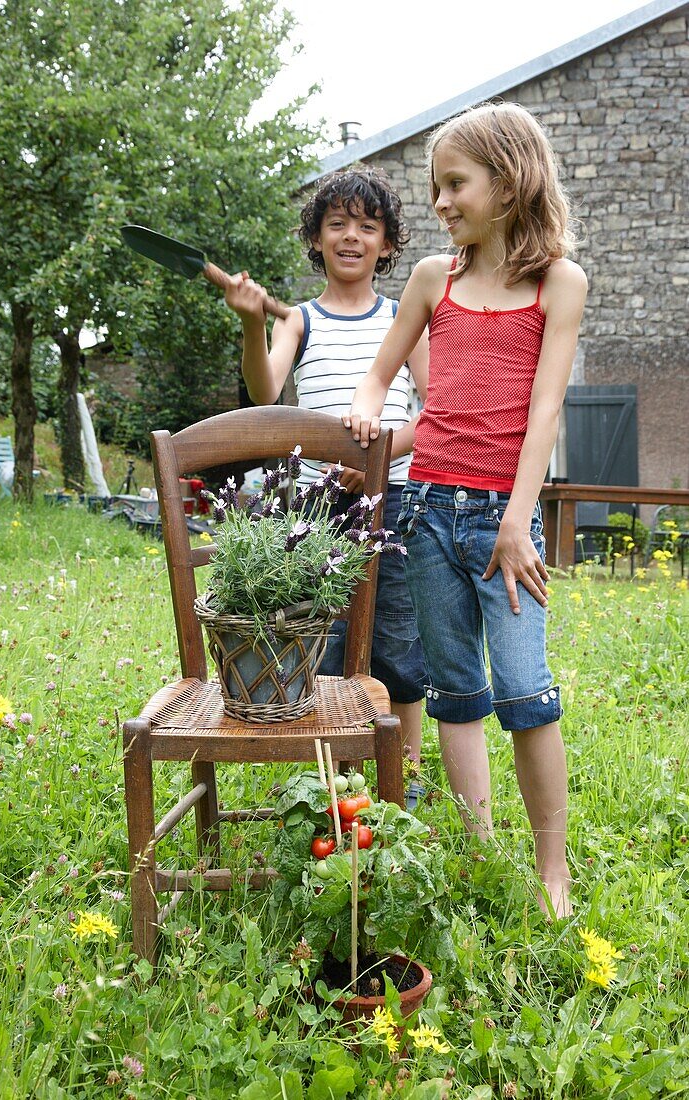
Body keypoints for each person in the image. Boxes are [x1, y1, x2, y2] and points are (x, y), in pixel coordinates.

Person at [344, 102, 588, 918]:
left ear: (509, 181)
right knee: (454, 691)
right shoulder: (431, 280)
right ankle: (480, 851)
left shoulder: (558, 283)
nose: (441, 203)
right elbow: (381, 377)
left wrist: (519, 521)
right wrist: (364, 410)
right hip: (426, 510)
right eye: (436, 187)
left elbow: (545, 408)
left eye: (455, 184)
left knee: (525, 691)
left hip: (500, 521)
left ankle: (551, 872)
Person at [223, 167, 429, 803]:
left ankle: (407, 770)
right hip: (318, 514)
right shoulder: (300, 322)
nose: (351, 237)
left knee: (398, 640)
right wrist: (254, 323)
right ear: (315, 238)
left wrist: (373, 458)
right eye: (337, 224)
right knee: (323, 639)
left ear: (388, 245)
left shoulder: (405, 318)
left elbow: (434, 411)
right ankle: (330, 774)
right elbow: (264, 390)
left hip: (395, 501)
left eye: (367, 227)